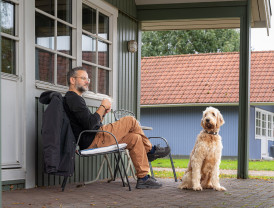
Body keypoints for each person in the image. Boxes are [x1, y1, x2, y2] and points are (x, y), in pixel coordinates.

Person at [64, 66, 170, 189]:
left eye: (88, 79)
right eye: (83, 78)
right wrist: (103, 106)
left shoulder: (75, 99)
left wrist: (103, 113)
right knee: (130, 120)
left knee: (135, 138)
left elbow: (90, 123)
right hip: (93, 139)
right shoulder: (73, 98)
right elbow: (89, 125)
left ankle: (143, 178)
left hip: (95, 136)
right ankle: (150, 150)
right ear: (72, 80)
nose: (87, 81)